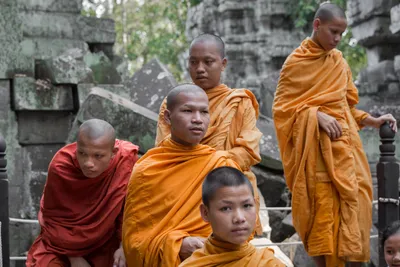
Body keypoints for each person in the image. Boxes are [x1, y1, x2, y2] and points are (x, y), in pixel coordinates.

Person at [272, 2, 398, 267]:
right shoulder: (296, 63)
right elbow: (282, 111)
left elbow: (346, 107)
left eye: (342, 33)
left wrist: (372, 120)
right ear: (317, 25)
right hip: (317, 160)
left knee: (356, 216)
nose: (338, 39)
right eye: (333, 32)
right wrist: (314, 115)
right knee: (323, 225)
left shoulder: (339, 62)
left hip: (348, 156)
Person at [155, 33, 263, 235]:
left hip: (229, 195)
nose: (200, 69)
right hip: (182, 192)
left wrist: (204, 163)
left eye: (208, 62)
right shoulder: (172, 103)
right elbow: (164, 151)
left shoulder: (239, 101)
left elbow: (248, 152)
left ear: (223, 64)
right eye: (193, 62)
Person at [122, 84, 241, 266]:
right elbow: (135, 242)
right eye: (187, 111)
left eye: (204, 112)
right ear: (168, 117)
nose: (197, 119)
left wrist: (215, 245)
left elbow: (243, 222)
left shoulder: (222, 164)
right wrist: (178, 245)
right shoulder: (147, 170)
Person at [26, 119, 139, 267]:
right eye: (82, 153)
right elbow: (53, 219)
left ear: (113, 153)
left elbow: (130, 212)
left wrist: (124, 246)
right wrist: (75, 258)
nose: (88, 163)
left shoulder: (125, 162)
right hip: (63, 245)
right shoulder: (61, 167)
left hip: (107, 241)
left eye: (98, 156)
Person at [179, 166, 285, 267]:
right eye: (226, 208)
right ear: (205, 213)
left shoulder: (269, 264)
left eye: (247, 206)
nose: (239, 218)